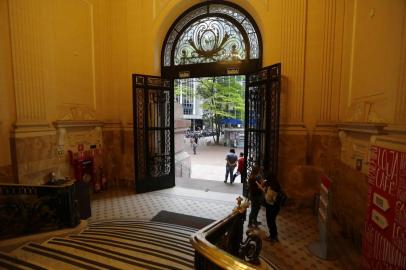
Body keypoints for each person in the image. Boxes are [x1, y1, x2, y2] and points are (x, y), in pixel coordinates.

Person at [257, 170, 282, 242]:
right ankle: (274, 236)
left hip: (272, 207)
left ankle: (272, 237)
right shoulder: (275, 184)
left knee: (270, 222)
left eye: (267, 178)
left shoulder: (273, 188)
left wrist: (264, 192)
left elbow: (269, 199)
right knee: (272, 222)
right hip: (274, 207)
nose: (266, 180)